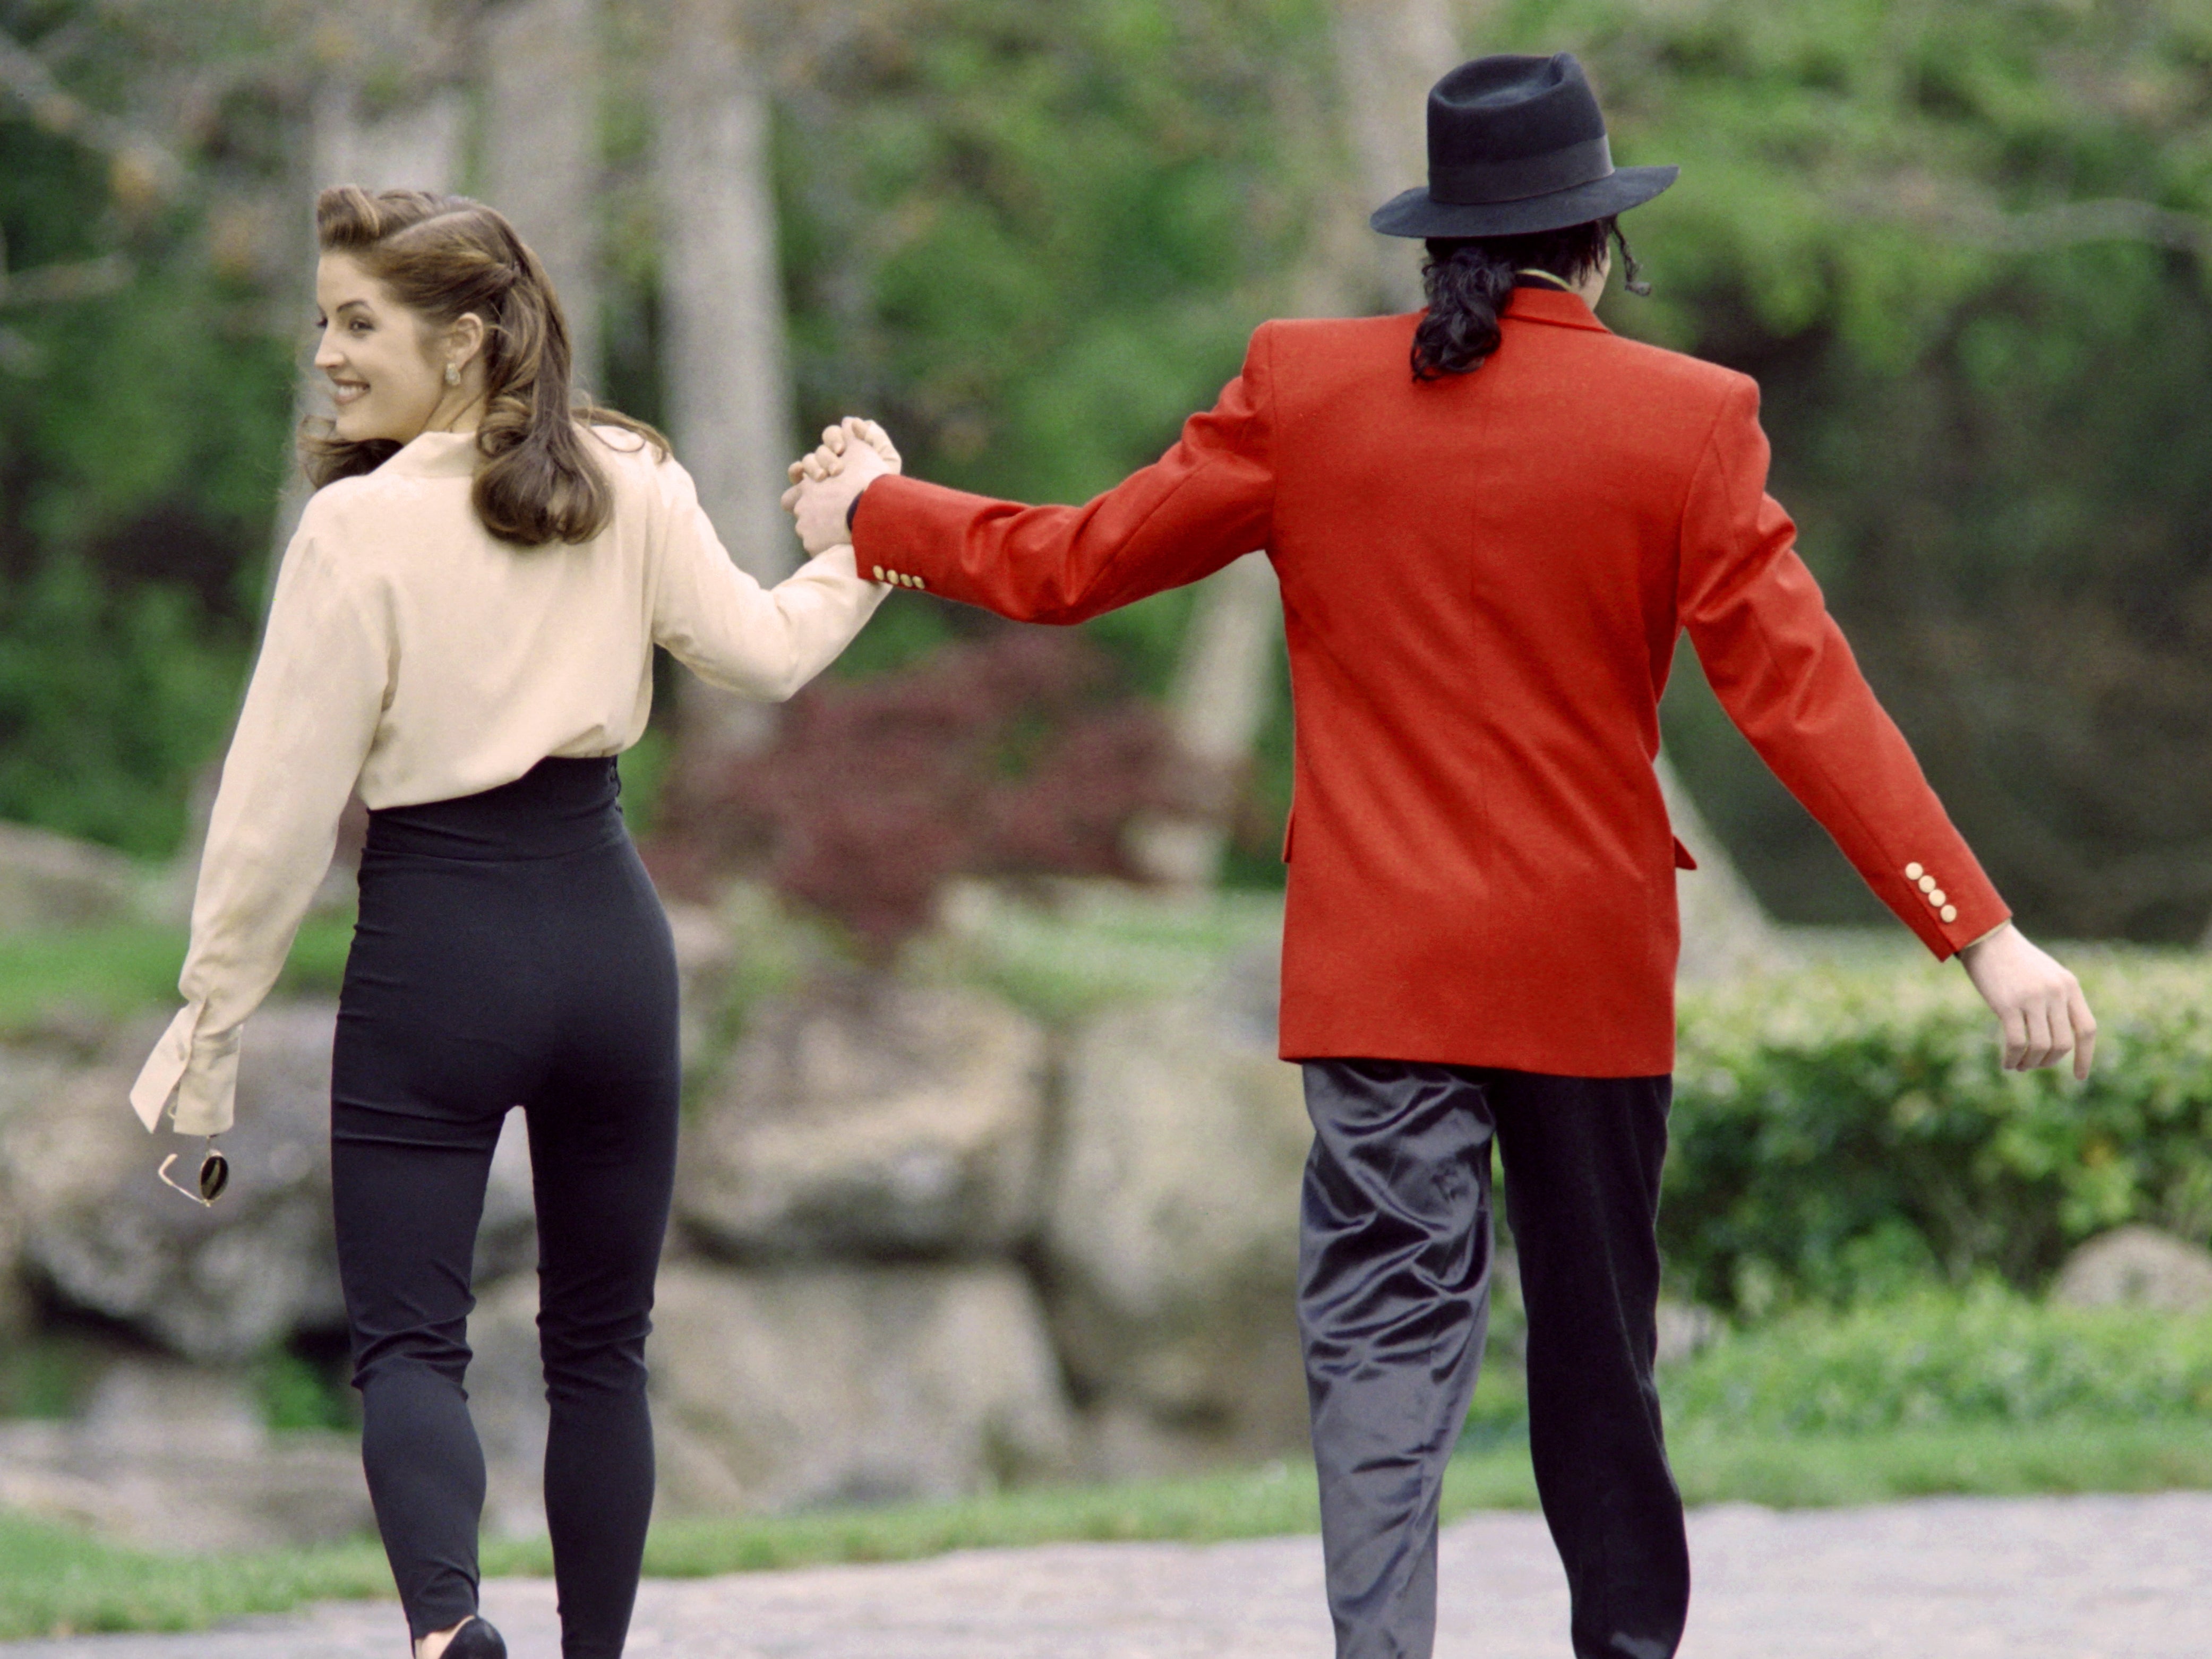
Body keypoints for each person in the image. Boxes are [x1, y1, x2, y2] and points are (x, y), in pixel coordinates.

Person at [784, 51, 2098, 1659]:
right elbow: (1804, 704)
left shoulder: (1306, 386)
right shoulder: (1692, 420)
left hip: (1381, 967)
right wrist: (1981, 933)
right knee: (1597, 1363)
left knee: (1383, 1352)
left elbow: (1073, 564)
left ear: (1437, 245)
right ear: (1598, 242)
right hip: (1585, 972)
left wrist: (881, 508)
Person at [127, 187, 887, 1659]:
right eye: (325, 322)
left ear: (464, 340)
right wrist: (860, 534)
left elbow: (276, 820)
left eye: (360, 323)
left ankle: (445, 1632)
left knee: (412, 1345)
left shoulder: (353, 534)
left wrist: (209, 1029)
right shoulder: (631, 476)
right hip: (611, 940)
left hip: (440, 953)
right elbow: (770, 651)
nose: (329, 353)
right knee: (603, 1353)